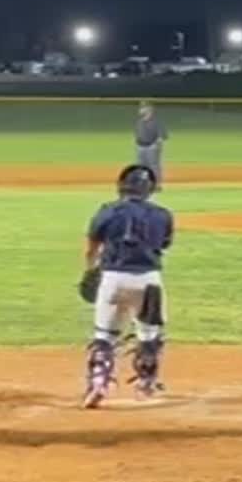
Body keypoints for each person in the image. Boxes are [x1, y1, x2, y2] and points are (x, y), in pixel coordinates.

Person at [80, 164, 174, 409]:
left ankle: (98, 383)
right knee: (150, 336)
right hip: (149, 280)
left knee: (104, 335)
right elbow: (164, 244)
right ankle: (146, 384)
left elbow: (92, 247)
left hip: (113, 278)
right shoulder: (163, 215)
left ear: (121, 186)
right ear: (149, 189)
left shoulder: (107, 211)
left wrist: (90, 271)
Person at [134, 103, 168, 188]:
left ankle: (157, 185)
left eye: (144, 109)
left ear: (150, 112)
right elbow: (138, 134)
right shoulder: (140, 122)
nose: (141, 111)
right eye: (141, 109)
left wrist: (156, 144)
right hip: (141, 147)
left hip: (151, 147)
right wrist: (137, 143)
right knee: (141, 166)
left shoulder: (156, 122)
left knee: (154, 166)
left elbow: (162, 135)